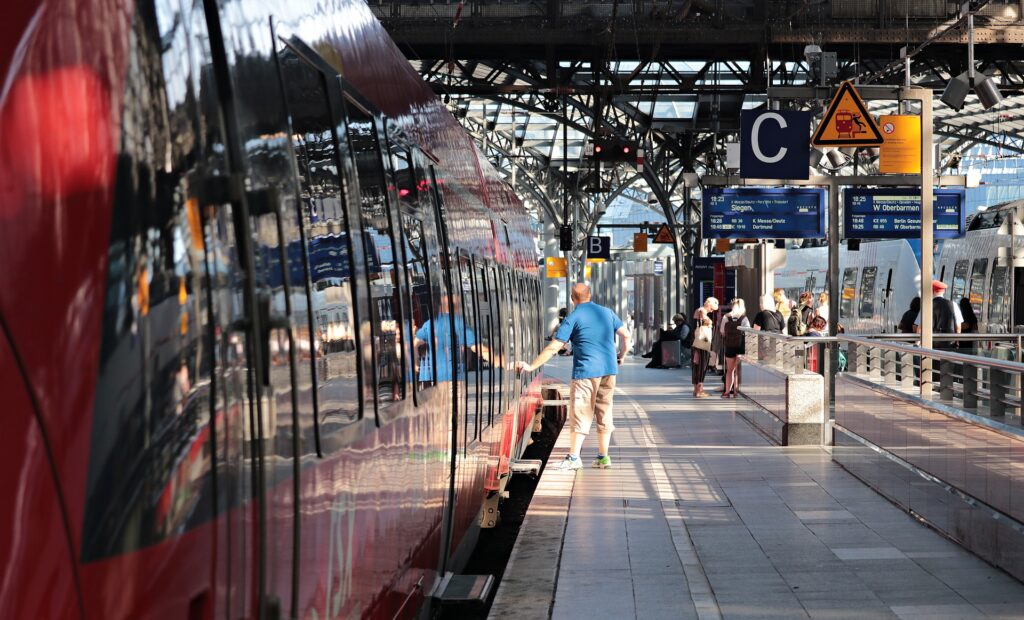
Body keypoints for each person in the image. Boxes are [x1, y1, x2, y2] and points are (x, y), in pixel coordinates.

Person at [514, 283, 630, 471]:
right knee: (604, 412)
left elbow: (554, 347)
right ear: (590, 295)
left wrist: (531, 366)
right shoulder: (607, 313)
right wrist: (622, 355)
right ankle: (603, 457)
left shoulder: (573, 317)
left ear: (572, 298)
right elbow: (626, 335)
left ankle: (574, 457)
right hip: (609, 371)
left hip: (586, 372)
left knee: (581, 413)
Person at [414, 295, 493, 383]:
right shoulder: (458, 323)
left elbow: (414, 345)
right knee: (454, 395)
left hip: (433, 376)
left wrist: (415, 363)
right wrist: (498, 360)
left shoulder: (428, 324)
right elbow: (477, 348)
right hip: (453, 375)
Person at [913, 281, 962, 349]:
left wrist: (917, 343)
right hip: (949, 344)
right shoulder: (953, 304)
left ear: (932, 290)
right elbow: (958, 327)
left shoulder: (927, 305)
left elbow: (920, 327)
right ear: (944, 291)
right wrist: (957, 341)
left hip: (930, 344)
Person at [720, 298, 749, 398]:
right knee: (738, 370)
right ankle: (736, 391)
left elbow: (722, 332)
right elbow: (748, 332)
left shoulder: (726, 317)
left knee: (730, 370)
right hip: (741, 346)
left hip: (729, 346)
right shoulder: (743, 318)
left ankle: (727, 392)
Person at [691, 297, 719, 398]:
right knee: (702, 365)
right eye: (712, 308)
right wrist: (710, 322)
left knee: (696, 365)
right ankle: (700, 390)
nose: (712, 310)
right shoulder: (702, 310)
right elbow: (704, 320)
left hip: (696, 342)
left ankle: (696, 390)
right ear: (709, 304)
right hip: (702, 343)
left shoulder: (698, 310)